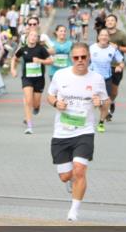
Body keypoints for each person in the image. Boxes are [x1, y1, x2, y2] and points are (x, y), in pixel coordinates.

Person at [46, 42, 109, 222]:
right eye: (76, 57)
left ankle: (74, 211)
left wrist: (100, 104)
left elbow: (106, 103)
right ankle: (71, 182)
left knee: (79, 170)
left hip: (84, 131)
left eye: (83, 57)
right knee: (65, 176)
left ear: (89, 57)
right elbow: (50, 95)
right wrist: (56, 103)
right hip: (62, 132)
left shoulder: (97, 79)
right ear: (71, 58)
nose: (80, 60)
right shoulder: (60, 75)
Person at [11, 30, 53, 135]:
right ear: (27, 37)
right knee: (28, 100)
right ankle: (29, 126)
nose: (33, 37)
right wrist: (13, 69)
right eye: (31, 35)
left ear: (37, 38)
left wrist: (40, 61)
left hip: (39, 79)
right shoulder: (23, 49)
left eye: (35, 36)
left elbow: (50, 61)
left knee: (35, 103)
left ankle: (37, 107)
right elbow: (14, 58)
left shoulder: (41, 49)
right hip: (27, 78)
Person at [89, 28, 124, 132]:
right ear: (98, 37)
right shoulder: (92, 48)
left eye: (106, 35)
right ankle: (85, 122)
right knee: (90, 101)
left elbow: (121, 61)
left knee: (105, 102)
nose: (104, 37)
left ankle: (101, 123)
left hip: (106, 79)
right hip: (93, 78)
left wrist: (119, 67)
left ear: (108, 38)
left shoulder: (112, 49)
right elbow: (85, 60)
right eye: (102, 35)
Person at [103, 13, 126, 122]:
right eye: (108, 20)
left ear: (116, 23)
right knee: (104, 90)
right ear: (105, 23)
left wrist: (118, 47)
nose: (110, 22)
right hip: (104, 66)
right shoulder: (103, 34)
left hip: (116, 66)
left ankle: (111, 102)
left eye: (112, 20)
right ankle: (106, 111)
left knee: (114, 91)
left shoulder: (122, 35)